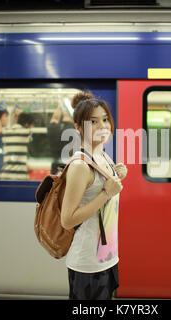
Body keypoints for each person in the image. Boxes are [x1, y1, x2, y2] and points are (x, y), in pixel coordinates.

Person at [61, 92, 128, 300]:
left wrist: (117, 174)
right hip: (87, 264)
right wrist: (107, 192)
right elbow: (67, 219)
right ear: (79, 127)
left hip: (107, 257)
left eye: (105, 119)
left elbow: (101, 193)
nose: (103, 126)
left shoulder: (103, 155)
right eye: (94, 121)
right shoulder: (80, 165)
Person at [0, 110, 35, 180]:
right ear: (27, 125)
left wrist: (20, 115)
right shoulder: (27, 132)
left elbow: (17, 126)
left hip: (5, 175)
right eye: (31, 126)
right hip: (20, 176)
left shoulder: (5, 130)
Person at [48, 100, 75, 174]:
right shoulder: (74, 130)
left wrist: (60, 107)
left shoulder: (52, 129)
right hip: (69, 166)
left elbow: (55, 118)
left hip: (55, 166)